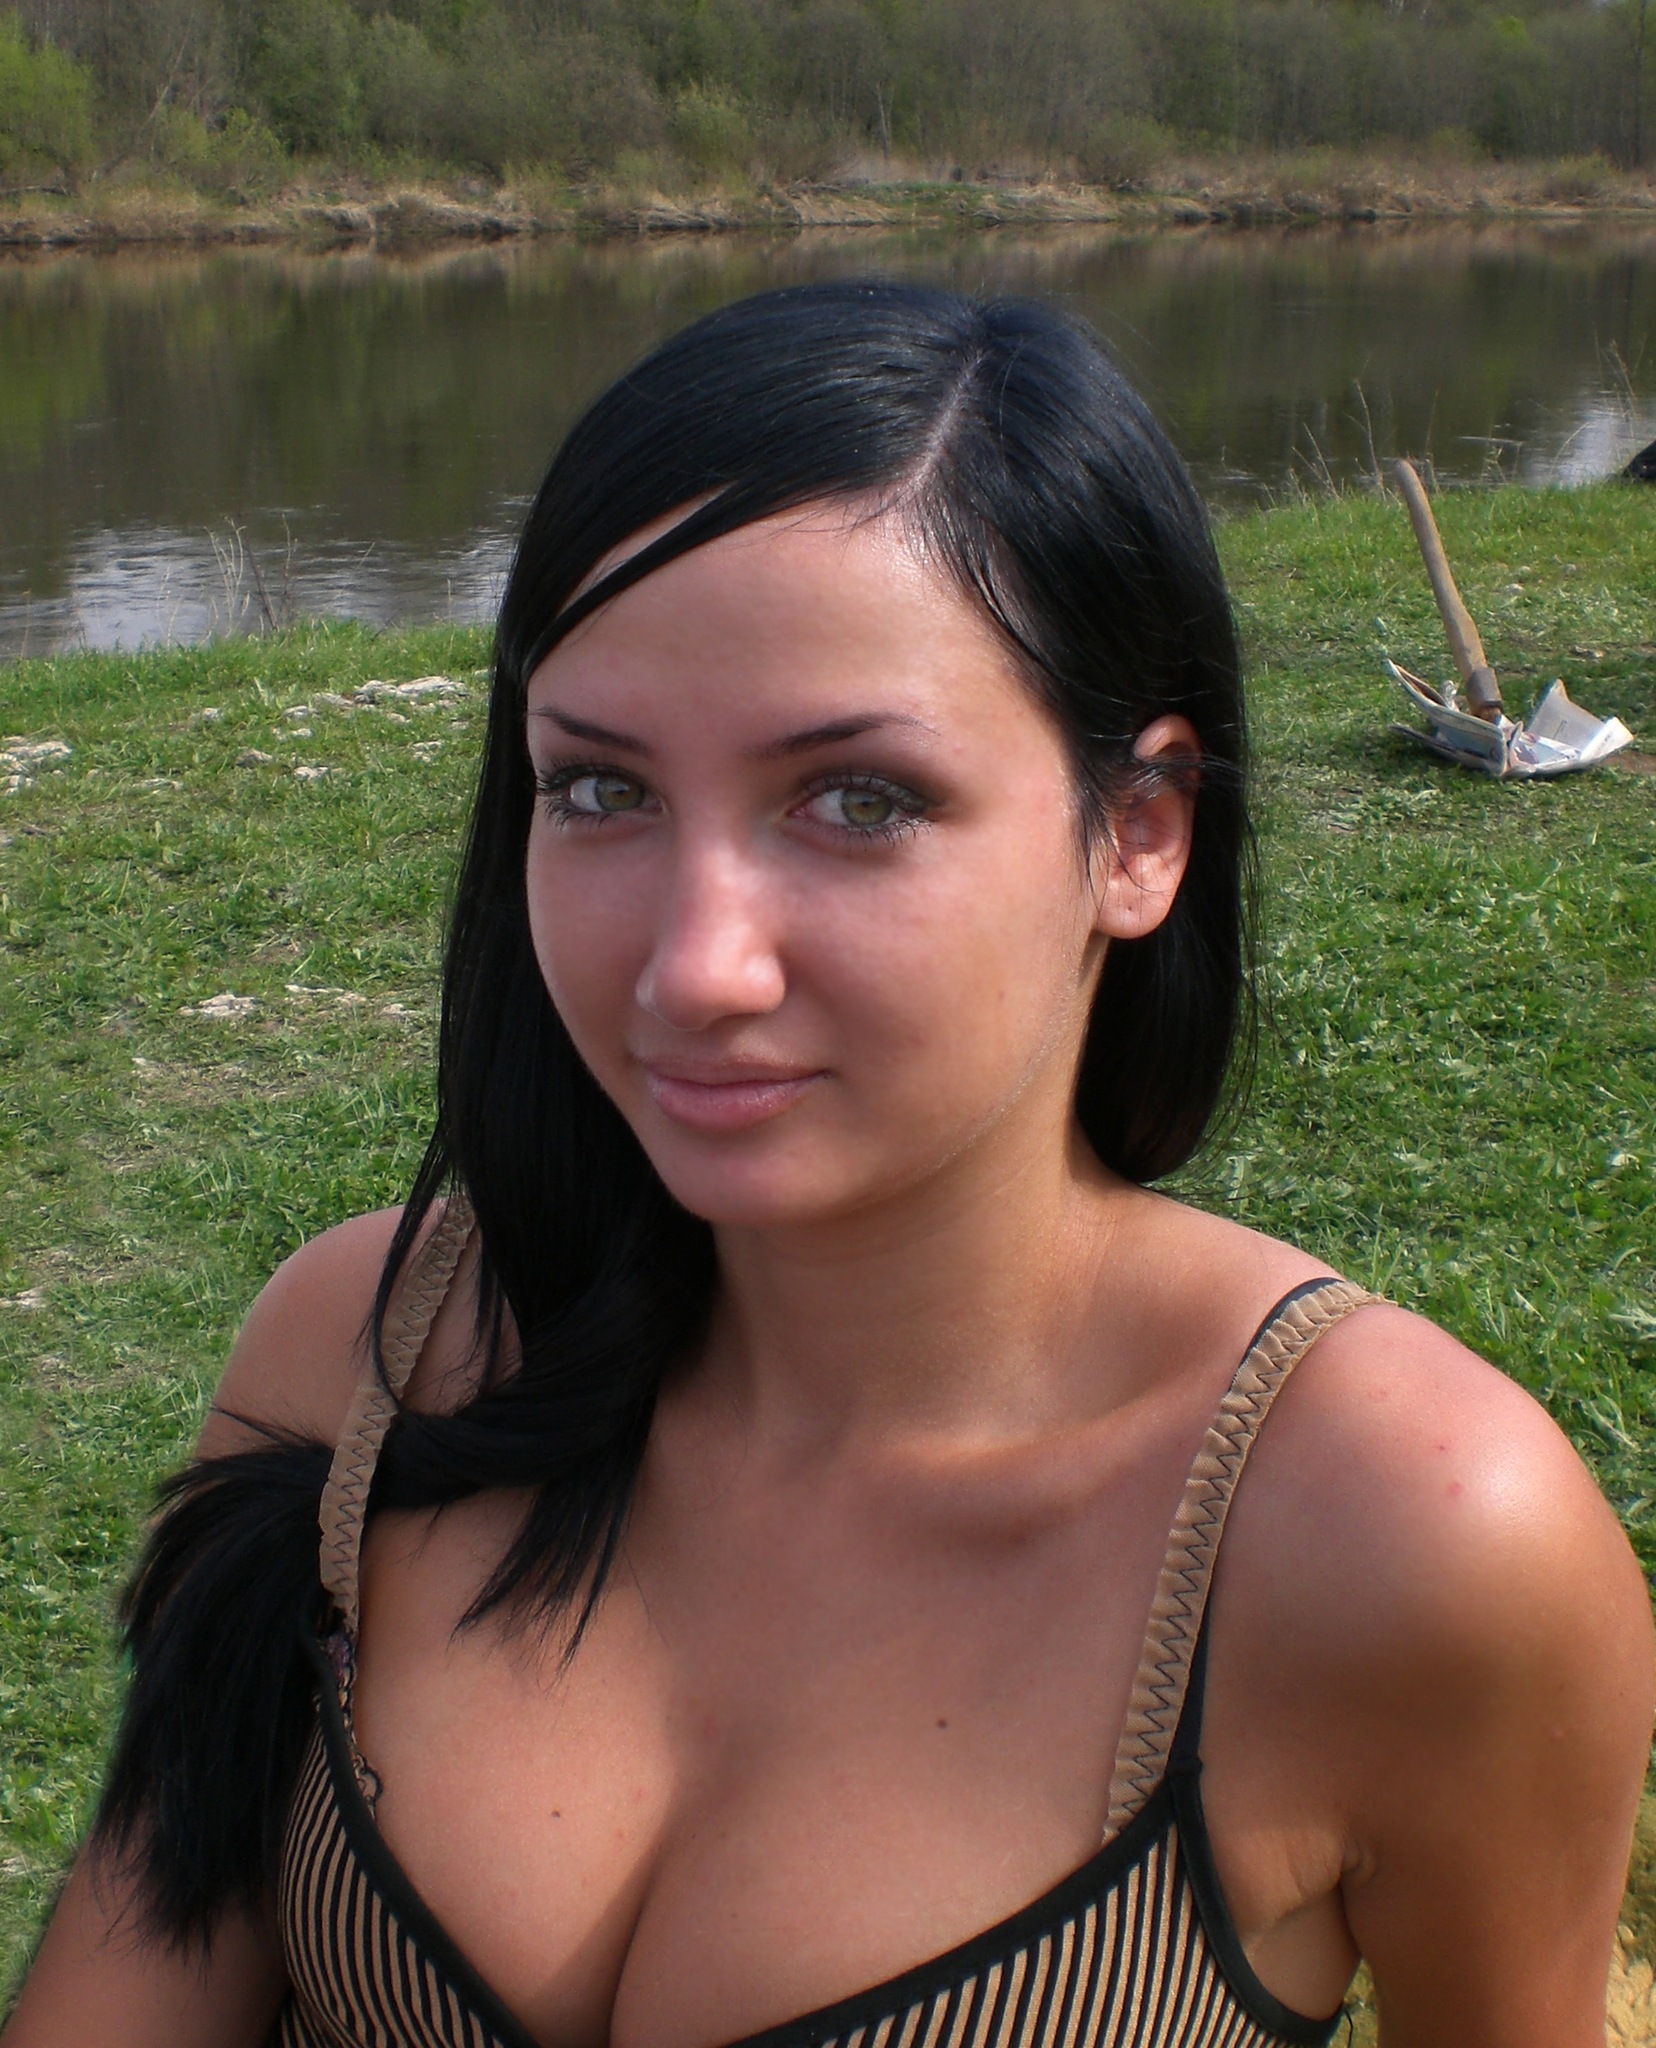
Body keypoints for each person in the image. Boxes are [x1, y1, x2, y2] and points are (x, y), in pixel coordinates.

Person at [5, 281, 1650, 2048]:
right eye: (601, 792)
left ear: (1139, 835)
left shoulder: (1407, 1540)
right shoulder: (370, 1357)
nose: (695, 967)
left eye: (859, 800)